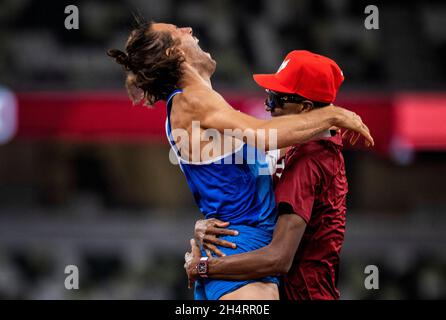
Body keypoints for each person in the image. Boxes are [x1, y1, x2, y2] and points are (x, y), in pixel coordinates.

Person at [107, 19, 373, 300]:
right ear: (176, 54)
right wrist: (334, 114)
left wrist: (205, 225)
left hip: (236, 258)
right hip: (243, 260)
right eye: (178, 32)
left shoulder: (195, 103)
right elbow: (263, 135)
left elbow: (252, 169)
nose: (189, 30)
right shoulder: (192, 100)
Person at [185, 50, 353, 300]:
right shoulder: (299, 148)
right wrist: (205, 226)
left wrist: (202, 268)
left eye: (276, 99)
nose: (267, 106)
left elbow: (278, 258)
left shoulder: (308, 163)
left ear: (304, 107)